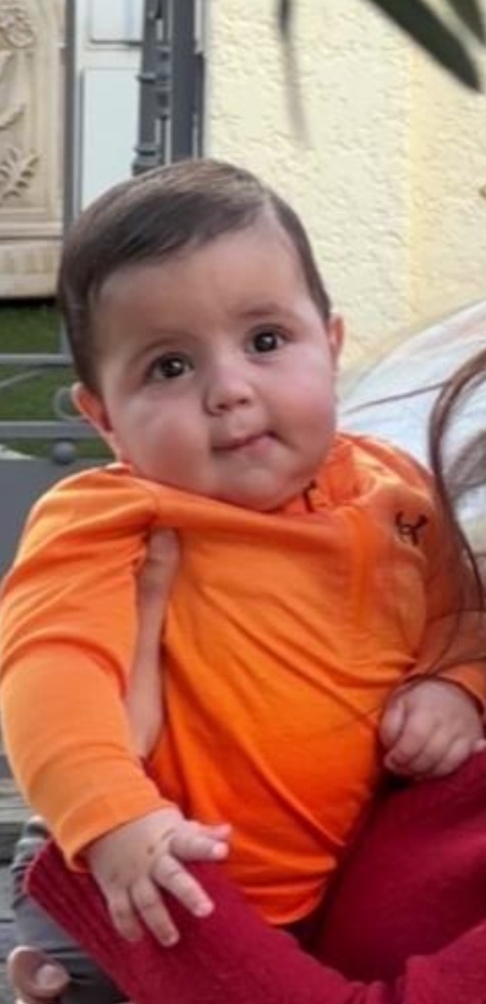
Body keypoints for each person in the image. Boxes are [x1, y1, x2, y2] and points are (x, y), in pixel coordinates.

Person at [1, 160, 485, 991]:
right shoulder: (112, 515)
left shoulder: (398, 496)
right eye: (169, 367)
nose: (229, 390)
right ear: (103, 418)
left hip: (307, 908)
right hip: (140, 875)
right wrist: (110, 817)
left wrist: (455, 688)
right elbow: (53, 670)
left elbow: (457, 622)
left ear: (330, 345)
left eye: (265, 341)